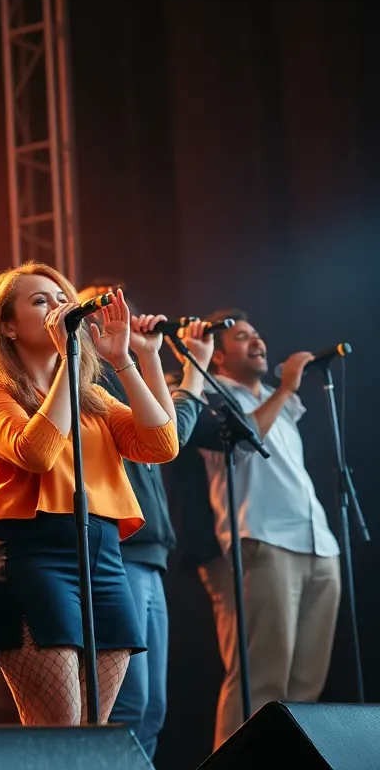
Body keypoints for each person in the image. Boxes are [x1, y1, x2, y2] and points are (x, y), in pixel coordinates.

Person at [0, 262, 179, 726]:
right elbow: (35, 452)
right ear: (7, 326)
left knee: (94, 730)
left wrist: (129, 360)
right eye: (41, 300)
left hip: (103, 555)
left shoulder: (93, 397)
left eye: (62, 299)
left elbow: (161, 445)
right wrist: (69, 362)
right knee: (59, 727)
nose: (59, 308)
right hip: (29, 554)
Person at [76, 283, 216, 757]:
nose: (116, 315)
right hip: (120, 550)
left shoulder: (129, 369)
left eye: (121, 308)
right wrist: (163, 364)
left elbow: (170, 433)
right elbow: (169, 427)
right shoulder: (92, 380)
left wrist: (153, 355)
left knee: (153, 708)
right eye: (100, 308)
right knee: (129, 702)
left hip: (150, 555)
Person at [193, 310, 341, 749]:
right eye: (242, 337)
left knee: (306, 687)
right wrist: (287, 387)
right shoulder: (213, 395)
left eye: (257, 334)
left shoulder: (276, 401)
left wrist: (283, 393)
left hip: (318, 544)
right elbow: (243, 441)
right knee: (260, 681)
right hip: (263, 541)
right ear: (218, 355)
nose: (257, 341)